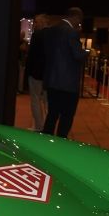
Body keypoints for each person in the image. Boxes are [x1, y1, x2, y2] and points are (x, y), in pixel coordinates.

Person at [40, 7, 85, 137]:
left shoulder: (50, 31)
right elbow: (78, 55)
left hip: (52, 81)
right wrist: (85, 53)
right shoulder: (71, 32)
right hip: (68, 84)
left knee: (52, 114)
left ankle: (46, 141)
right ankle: (61, 143)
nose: (79, 23)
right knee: (66, 116)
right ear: (76, 18)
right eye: (79, 20)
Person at [25, 13, 49, 131]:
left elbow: (32, 55)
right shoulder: (52, 35)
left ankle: (39, 127)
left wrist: (28, 71)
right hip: (48, 74)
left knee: (35, 101)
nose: (35, 24)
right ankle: (49, 127)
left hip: (35, 73)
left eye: (37, 22)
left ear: (42, 22)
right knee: (47, 101)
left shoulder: (37, 35)